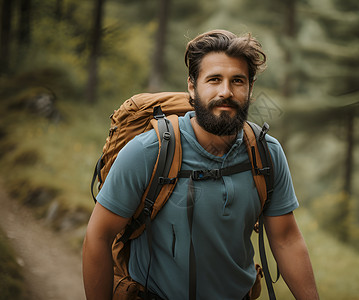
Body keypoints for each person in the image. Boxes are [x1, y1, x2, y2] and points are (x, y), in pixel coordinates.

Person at [82, 29, 319, 300]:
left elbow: (286, 239)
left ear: (250, 87)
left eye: (238, 81)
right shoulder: (149, 152)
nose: (226, 91)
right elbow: (98, 236)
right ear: (192, 87)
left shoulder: (267, 154)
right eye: (214, 80)